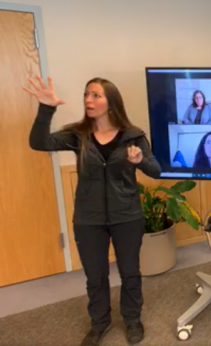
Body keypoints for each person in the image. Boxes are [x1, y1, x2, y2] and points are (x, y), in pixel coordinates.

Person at [24, 76, 161, 346]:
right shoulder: (78, 136)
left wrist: (140, 160)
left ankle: (132, 319)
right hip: (88, 219)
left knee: (130, 272)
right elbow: (39, 142)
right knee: (95, 276)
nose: (88, 99)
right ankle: (100, 323)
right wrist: (46, 109)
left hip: (127, 216)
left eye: (96, 95)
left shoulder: (133, 135)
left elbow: (155, 171)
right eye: (87, 94)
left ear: (111, 103)